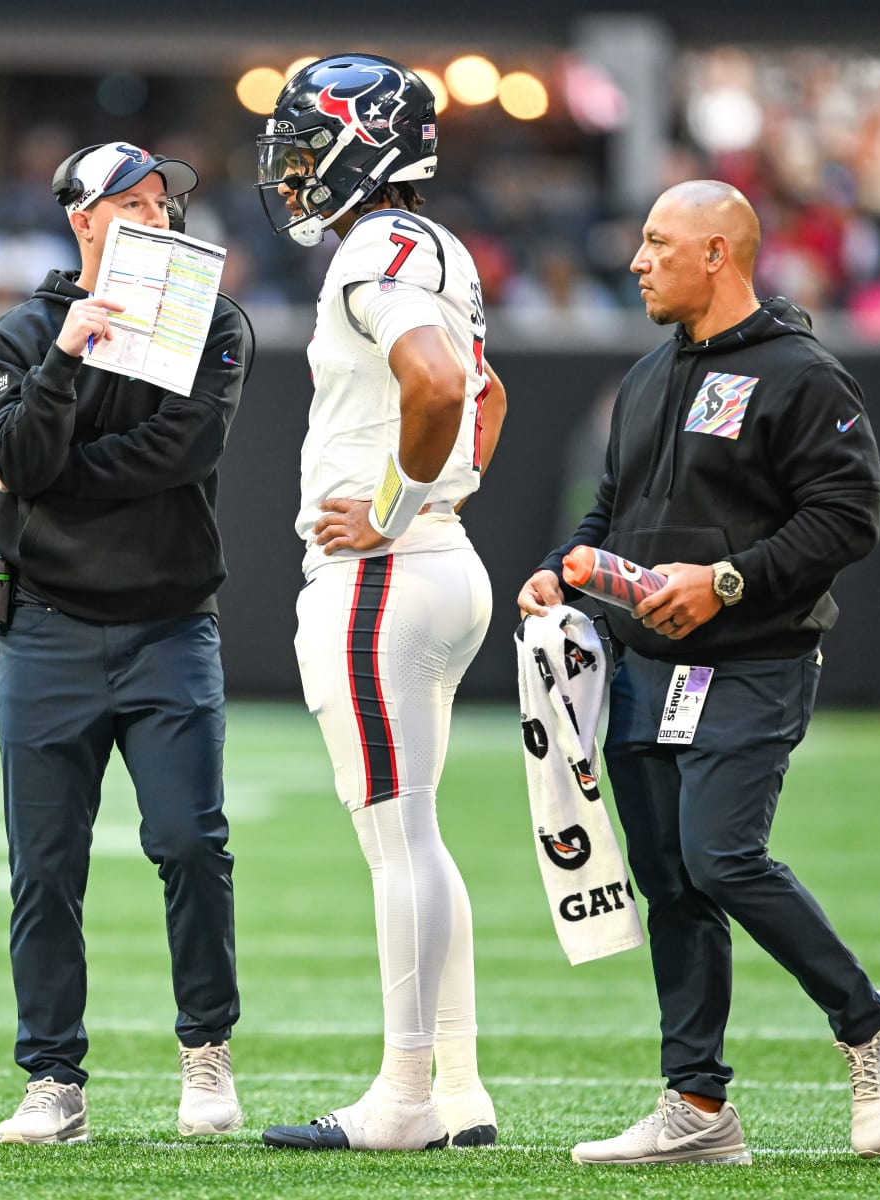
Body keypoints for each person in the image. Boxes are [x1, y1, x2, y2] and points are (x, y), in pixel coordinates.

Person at [518, 180, 880, 1165]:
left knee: (720, 855)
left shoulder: (804, 375)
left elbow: (848, 518)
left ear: (719, 254)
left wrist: (730, 581)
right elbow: (611, 505)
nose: (637, 260)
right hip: (644, 663)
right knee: (671, 882)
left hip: (754, 658)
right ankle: (697, 1109)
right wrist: (558, 572)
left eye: (658, 243)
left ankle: (872, 1023)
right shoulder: (651, 374)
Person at [249, 54, 508, 1152]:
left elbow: (445, 387)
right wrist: (444, 498)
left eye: (309, 145)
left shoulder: (372, 247)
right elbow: (487, 393)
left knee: (397, 843)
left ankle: (405, 1099)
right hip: (444, 569)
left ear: (366, 143)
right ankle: (458, 1088)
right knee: (418, 840)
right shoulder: (437, 246)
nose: (295, 170)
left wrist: (396, 508)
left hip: (386, 578)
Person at [0, 141, 249, 1144]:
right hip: (45, 628)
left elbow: (184, 450)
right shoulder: (22, 334)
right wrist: (65, 359)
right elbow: (10, 450)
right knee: (44, 867)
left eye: (163, 202)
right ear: (82, 219)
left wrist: (50, 474)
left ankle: (205, 1048)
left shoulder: (210, 319)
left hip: (170, 625)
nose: (158, 217)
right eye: (131, 203)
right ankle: (54, 1078)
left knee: (189, 841)